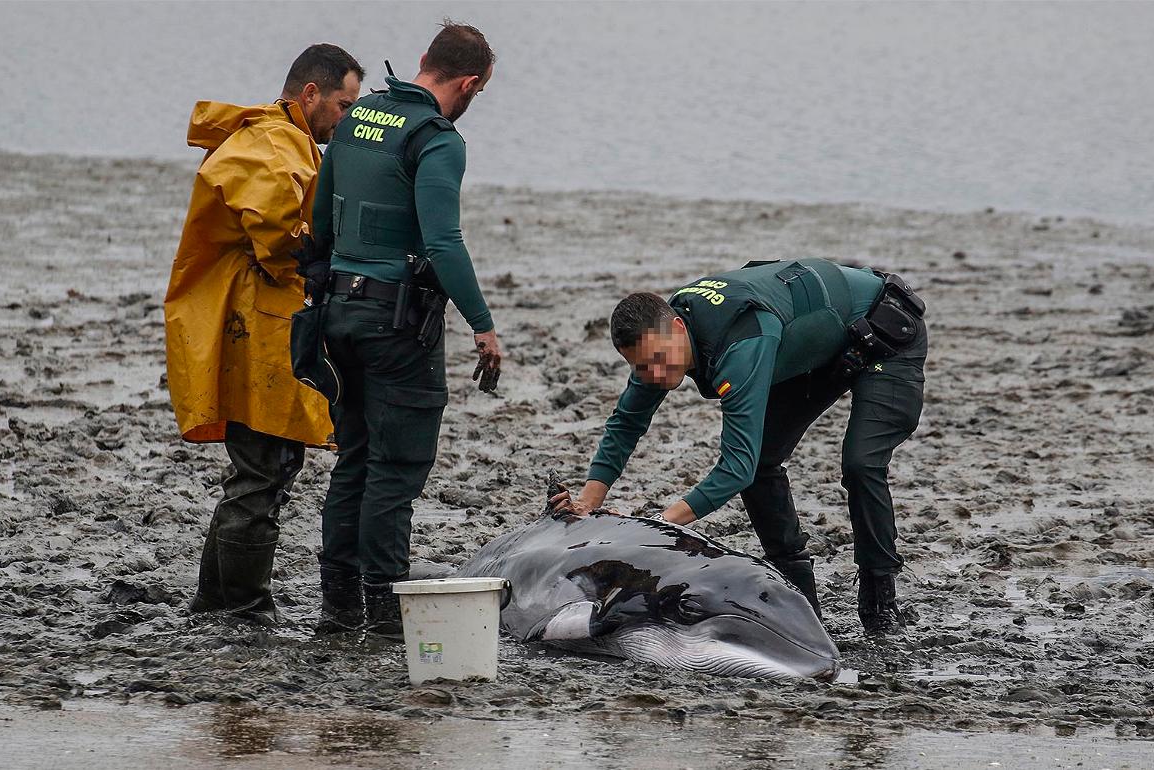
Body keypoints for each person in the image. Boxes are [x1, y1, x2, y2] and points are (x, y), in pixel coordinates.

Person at [550, 259, 927, 636]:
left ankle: (880, 601)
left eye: (658, 360)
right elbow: (626, 422)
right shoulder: (658, 342)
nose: (655, 375)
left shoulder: (740, 343)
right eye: (641, 367)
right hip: (820, 347)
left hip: (884, 330)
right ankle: (801, 596)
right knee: (763, 461)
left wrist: (660, 528)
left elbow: (735, 466)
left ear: (678, 328)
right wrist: (588, 501)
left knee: (860, 463)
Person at [304, 21, 502, 638]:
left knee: (355, 458)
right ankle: (387, 616)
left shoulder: (360, 117)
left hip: (337, 314)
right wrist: (483, 325)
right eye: (478, 92)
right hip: (397, 324)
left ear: (422, 60)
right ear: (468, 84)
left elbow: (320, 223)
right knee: (397, 467)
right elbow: (443, 241)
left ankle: (338, 608)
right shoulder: (438, 139)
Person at [164, 44, 365, 625]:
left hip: (254, 321)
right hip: (253, 328)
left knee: (257, 473)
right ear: (310, 94)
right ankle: (245, 606)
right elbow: (278, 238)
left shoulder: (279, 139)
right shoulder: (270, 145)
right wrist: (328, 260)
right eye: (344, 105)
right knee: (263, 470)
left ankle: (216, 600)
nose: (349, 119)